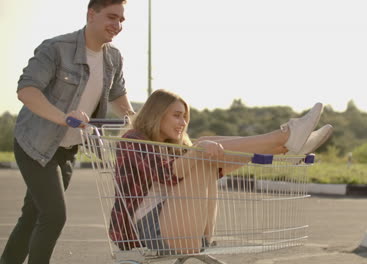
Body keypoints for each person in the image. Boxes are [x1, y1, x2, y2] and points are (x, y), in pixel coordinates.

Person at [108, 89, 333, 255]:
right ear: (157, 114)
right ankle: (286, 139)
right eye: (176, 115)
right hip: (148, 232)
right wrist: (198, 151)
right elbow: (168, 174)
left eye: (185, 117)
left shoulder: (170, 146)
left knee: (205, 146)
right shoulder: (133, 141)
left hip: (184, 226)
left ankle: (286, 146)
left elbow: (216, 169)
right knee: (203, 147)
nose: (183, 122)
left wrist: (201, 150)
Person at [0, 1, 135, 263]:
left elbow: (118, 94)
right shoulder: (56, 48)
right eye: (111, 17)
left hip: (68, 149)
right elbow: (26, 90)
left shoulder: (113, 58)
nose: (117, 25)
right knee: (53, 215)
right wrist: (65, 118)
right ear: (91, 14)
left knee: (33, 215)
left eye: (121, 20)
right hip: (35, 143)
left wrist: (136, 119)